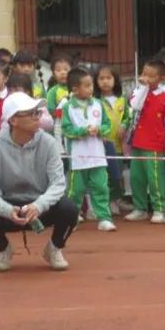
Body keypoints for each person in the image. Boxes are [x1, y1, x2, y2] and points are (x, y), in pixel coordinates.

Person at [0, 92, 77, 272]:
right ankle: (4, 249)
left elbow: (58, 184)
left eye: (37, 112)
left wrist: (38, 206)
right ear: (13, 120)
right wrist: (8, 210)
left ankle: (54, 248)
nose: (37, 117)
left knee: (69, 209)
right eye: (31, 113)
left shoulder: (48, 143)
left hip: (40, 204)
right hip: (9, 205)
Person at [61, 67, 115, 232]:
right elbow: (66, 130)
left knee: (101, 187)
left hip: (98, 156)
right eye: (87, 85)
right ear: (75, 89)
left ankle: (104, 218)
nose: (91, 88)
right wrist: (83, 131)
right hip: (78, 158)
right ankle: (72, 218)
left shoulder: (98, 104)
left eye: (91, 85)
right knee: (75, 190)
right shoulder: (68, 107)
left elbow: (107, 125)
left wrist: (100, 130)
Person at [125, 58, 165, 224]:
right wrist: (143, 87)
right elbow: (135, 105)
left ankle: (159, 208)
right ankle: (140, 208)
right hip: (137, 142)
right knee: (136, 178)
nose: (146, 78)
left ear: (161, 79)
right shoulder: (139, 91)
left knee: (155, 178)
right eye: (144, 74)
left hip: (155, 144)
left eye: (151, 76)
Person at [94, 64, 126, 216]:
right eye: (101, 78)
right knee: (102, 175)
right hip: (101, 145)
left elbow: (128, 117)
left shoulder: (122, 100)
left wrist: (124, 125)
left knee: (116, 174)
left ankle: (115, 200)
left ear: (115, 80)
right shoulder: (95, 101)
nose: (105, 81)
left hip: (118, 145)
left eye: (108, 78)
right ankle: (104, 202)